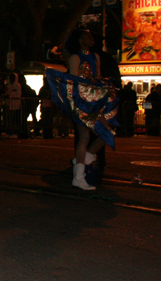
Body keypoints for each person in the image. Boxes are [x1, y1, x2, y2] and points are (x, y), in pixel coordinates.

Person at [45, 29, 118, 190]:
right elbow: (73, 80)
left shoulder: (95, 56)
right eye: (87, 36)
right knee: (84, 136)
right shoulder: (75, 57)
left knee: (107, 131)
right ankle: (78, 176)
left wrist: (98, 80)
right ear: (79, 40)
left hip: (94, 99)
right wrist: (88, 82)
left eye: (91, 36)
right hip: (81, 101)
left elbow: (96, 75)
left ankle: (84, 158)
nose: (91, 38)